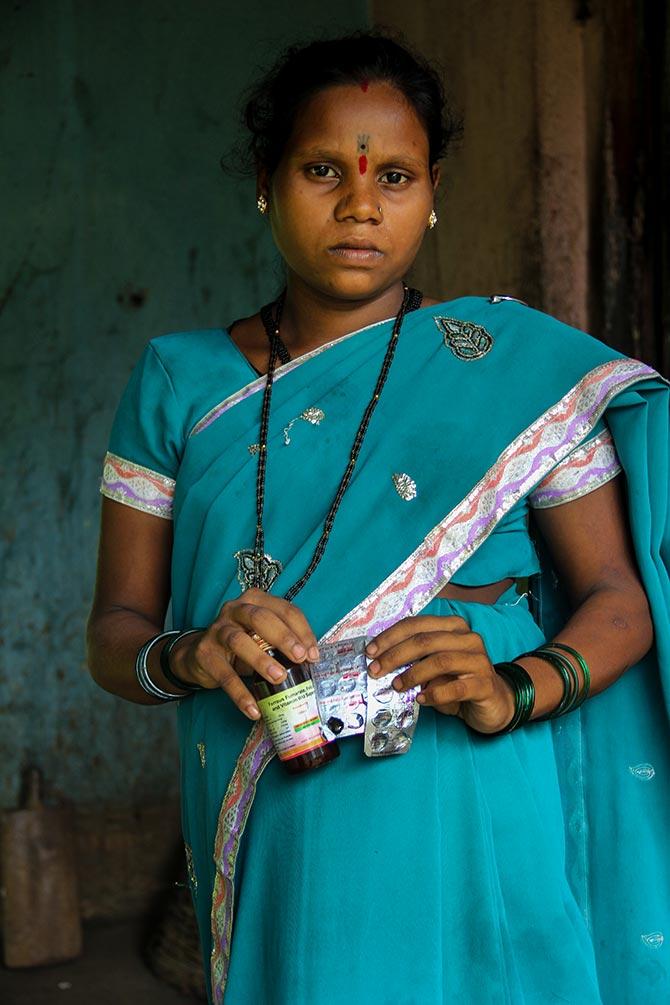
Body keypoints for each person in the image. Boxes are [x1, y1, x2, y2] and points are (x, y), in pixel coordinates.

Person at [87, 31, 670, 1005]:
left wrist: (516, 687)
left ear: (432, 191)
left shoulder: (515, 375)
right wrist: (191, 653)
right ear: (267, 182)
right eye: (324, 170)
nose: (361, 204)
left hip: (477, 790)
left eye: (394, 176)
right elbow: (115, 636)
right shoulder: (178, 382)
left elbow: (617, 594)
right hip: (278, 794)